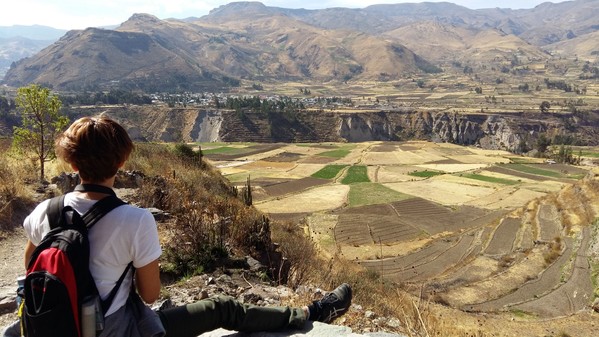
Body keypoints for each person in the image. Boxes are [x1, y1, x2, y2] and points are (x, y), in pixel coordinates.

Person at [2, 116, 352, 337]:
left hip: (49, 325)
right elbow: (151, 295)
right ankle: (310, 313)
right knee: (221, 308)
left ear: (71, 161)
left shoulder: (44, 211)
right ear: (123, 161)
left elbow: (32, 265)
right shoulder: (135, 220)